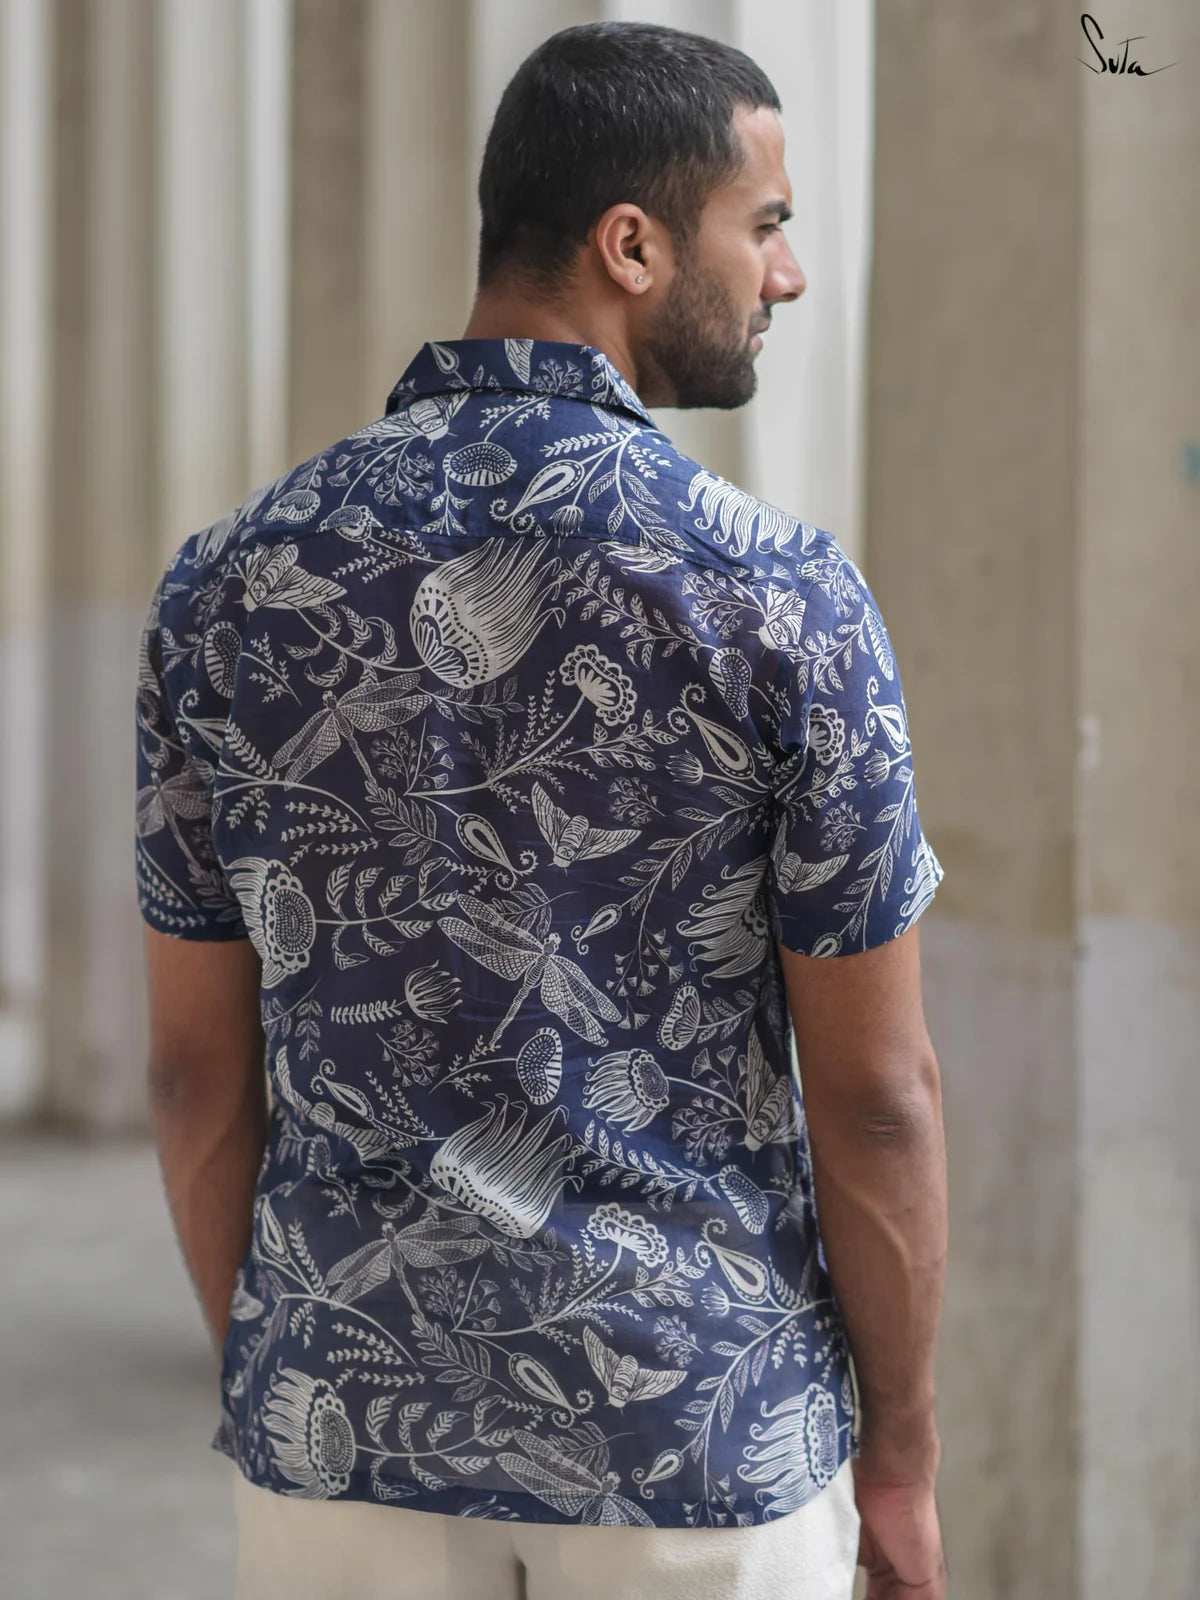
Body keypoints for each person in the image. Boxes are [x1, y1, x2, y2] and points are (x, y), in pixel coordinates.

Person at [134, 20, 948, 1600]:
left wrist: (302, 1362)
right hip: (695, 1449)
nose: (784, 275)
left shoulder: (231, 584)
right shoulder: (778, 596)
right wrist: (900, 1461)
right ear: (631, 244)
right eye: (763, 226)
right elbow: (877, 1099)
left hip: (344, 1439)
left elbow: (189, 1069)